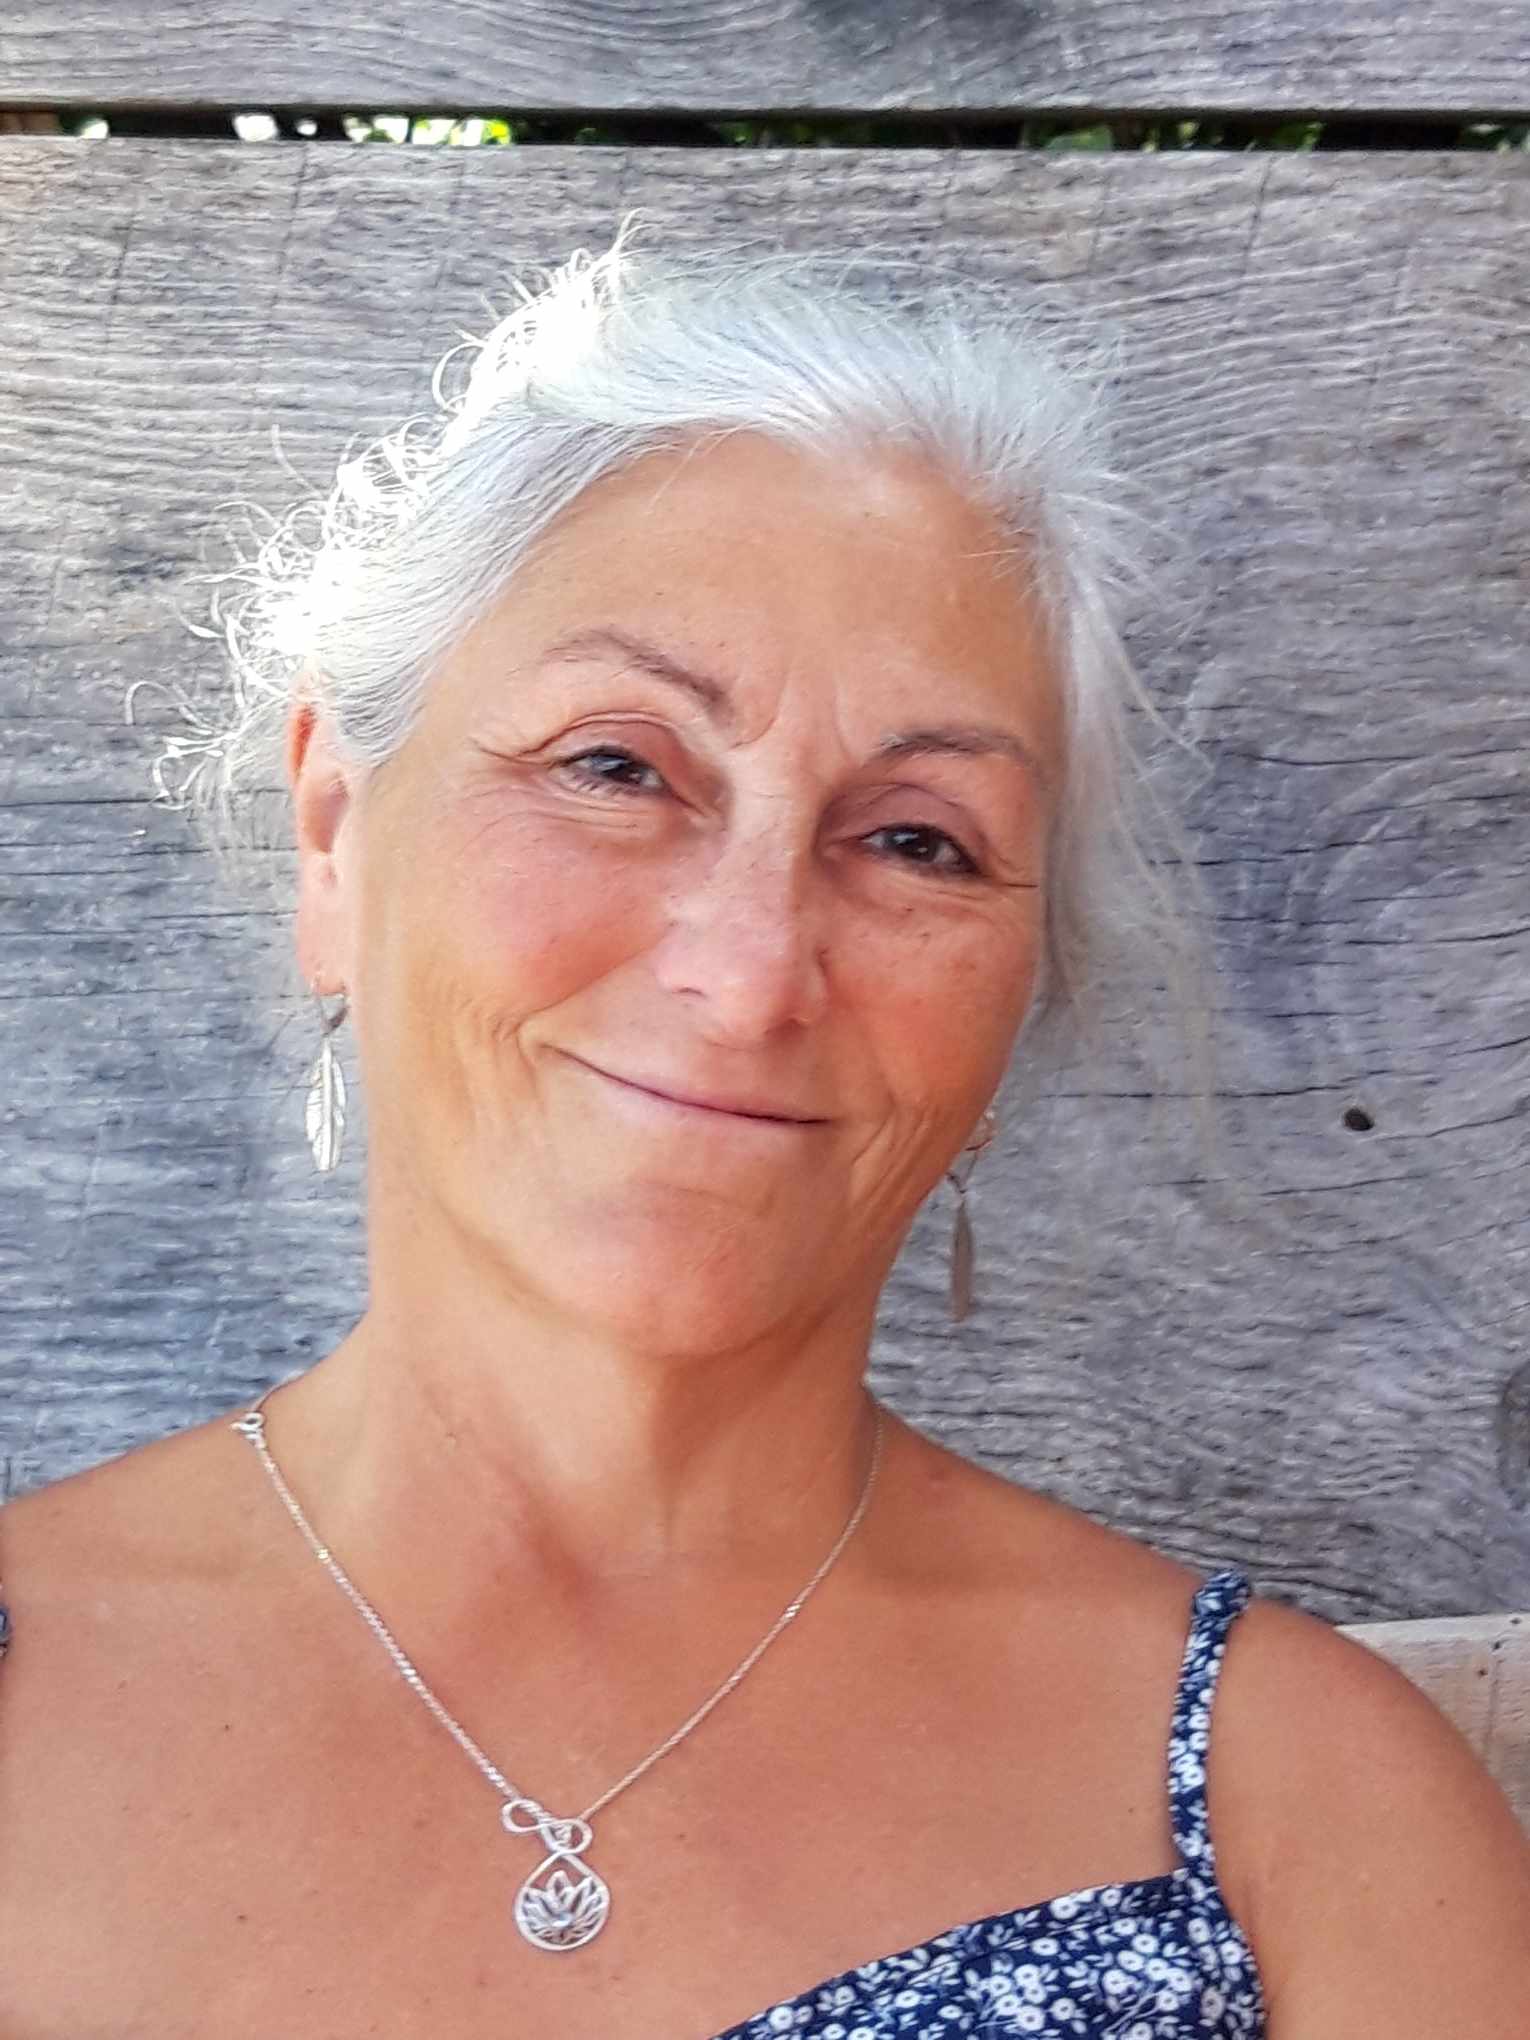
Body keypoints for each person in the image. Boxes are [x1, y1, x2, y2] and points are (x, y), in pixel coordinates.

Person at [1, 230, 1526, 2039]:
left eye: (915, 841)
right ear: (336, 831)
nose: (746, 973)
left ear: (1022, 986)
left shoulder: (1303, 1818)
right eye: (617, 766)